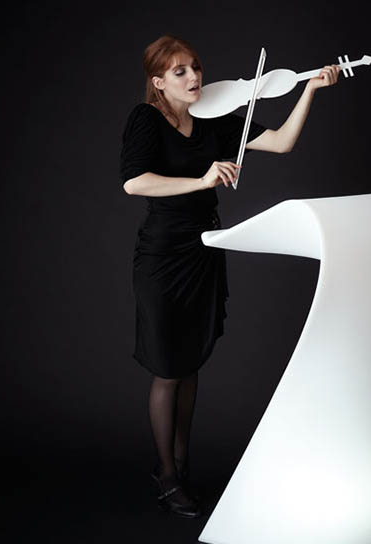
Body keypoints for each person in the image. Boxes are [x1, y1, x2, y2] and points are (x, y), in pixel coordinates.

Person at [119, 35, 339, 517]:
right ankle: (166, 475)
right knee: (168, 367)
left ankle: (182, 466)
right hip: (162, 256)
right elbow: (135, 182)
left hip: (205, 249)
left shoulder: (216, 117)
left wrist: (310, 90)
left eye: (195, 67)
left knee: (191, 362)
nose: (193, 76)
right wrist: (201, 179)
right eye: (179, 71)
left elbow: (281, 142)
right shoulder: (146, 119)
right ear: (158, 82)